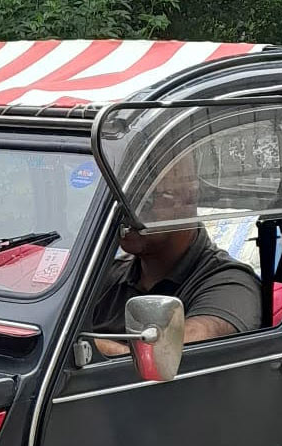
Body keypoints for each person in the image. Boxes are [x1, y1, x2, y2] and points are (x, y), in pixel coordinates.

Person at [88, 151, 261, 357]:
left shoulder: (231, 286)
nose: (126, 213)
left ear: (188, 198)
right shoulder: (109, 275)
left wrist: (83, 348)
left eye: (147, 199)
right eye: (120, 200)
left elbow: (164, 355)